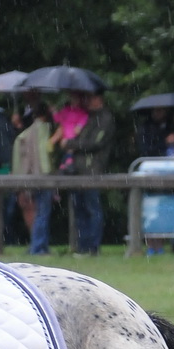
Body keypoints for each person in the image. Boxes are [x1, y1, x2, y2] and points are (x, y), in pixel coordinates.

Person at [63, 91, 116, 255]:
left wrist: (72, 143)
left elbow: (95, 142)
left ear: (99, 99)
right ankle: (81, 246)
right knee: (79, 209)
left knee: (92, 209)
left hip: (92, 170)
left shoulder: (106, 118)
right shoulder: (88, 117)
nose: (87, 101)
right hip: (78, 171)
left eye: (91, 98)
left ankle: (93, 247)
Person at [15, 96, 55, 254]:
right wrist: (47, 173)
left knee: (38, 212)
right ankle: (38, 247)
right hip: (42, 176)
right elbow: (43, 153)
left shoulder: (26, 132)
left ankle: (38, 245)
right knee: (42, 212)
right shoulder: (43, 128)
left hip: (30, 176)